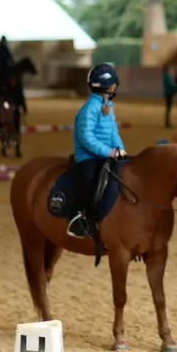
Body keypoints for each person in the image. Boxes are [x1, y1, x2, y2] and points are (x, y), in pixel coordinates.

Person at [67, 63, 127, 241]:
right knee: (89, 179)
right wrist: (108, 152)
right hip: (88, 156)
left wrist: (119, 148)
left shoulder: (108, 106)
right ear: (108, 87)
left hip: (106, 152)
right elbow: (86, 138)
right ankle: (79, 215)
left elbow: (113, 131)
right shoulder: (88, 109)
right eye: (113, 85)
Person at [162, 64, 177, 128]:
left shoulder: (166, 76)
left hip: (168, 93)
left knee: (168, 108)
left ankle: (167, 122)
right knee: (168, 109)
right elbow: (170, 85)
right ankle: (167, 123)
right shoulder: (167, 76)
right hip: (169, 93)